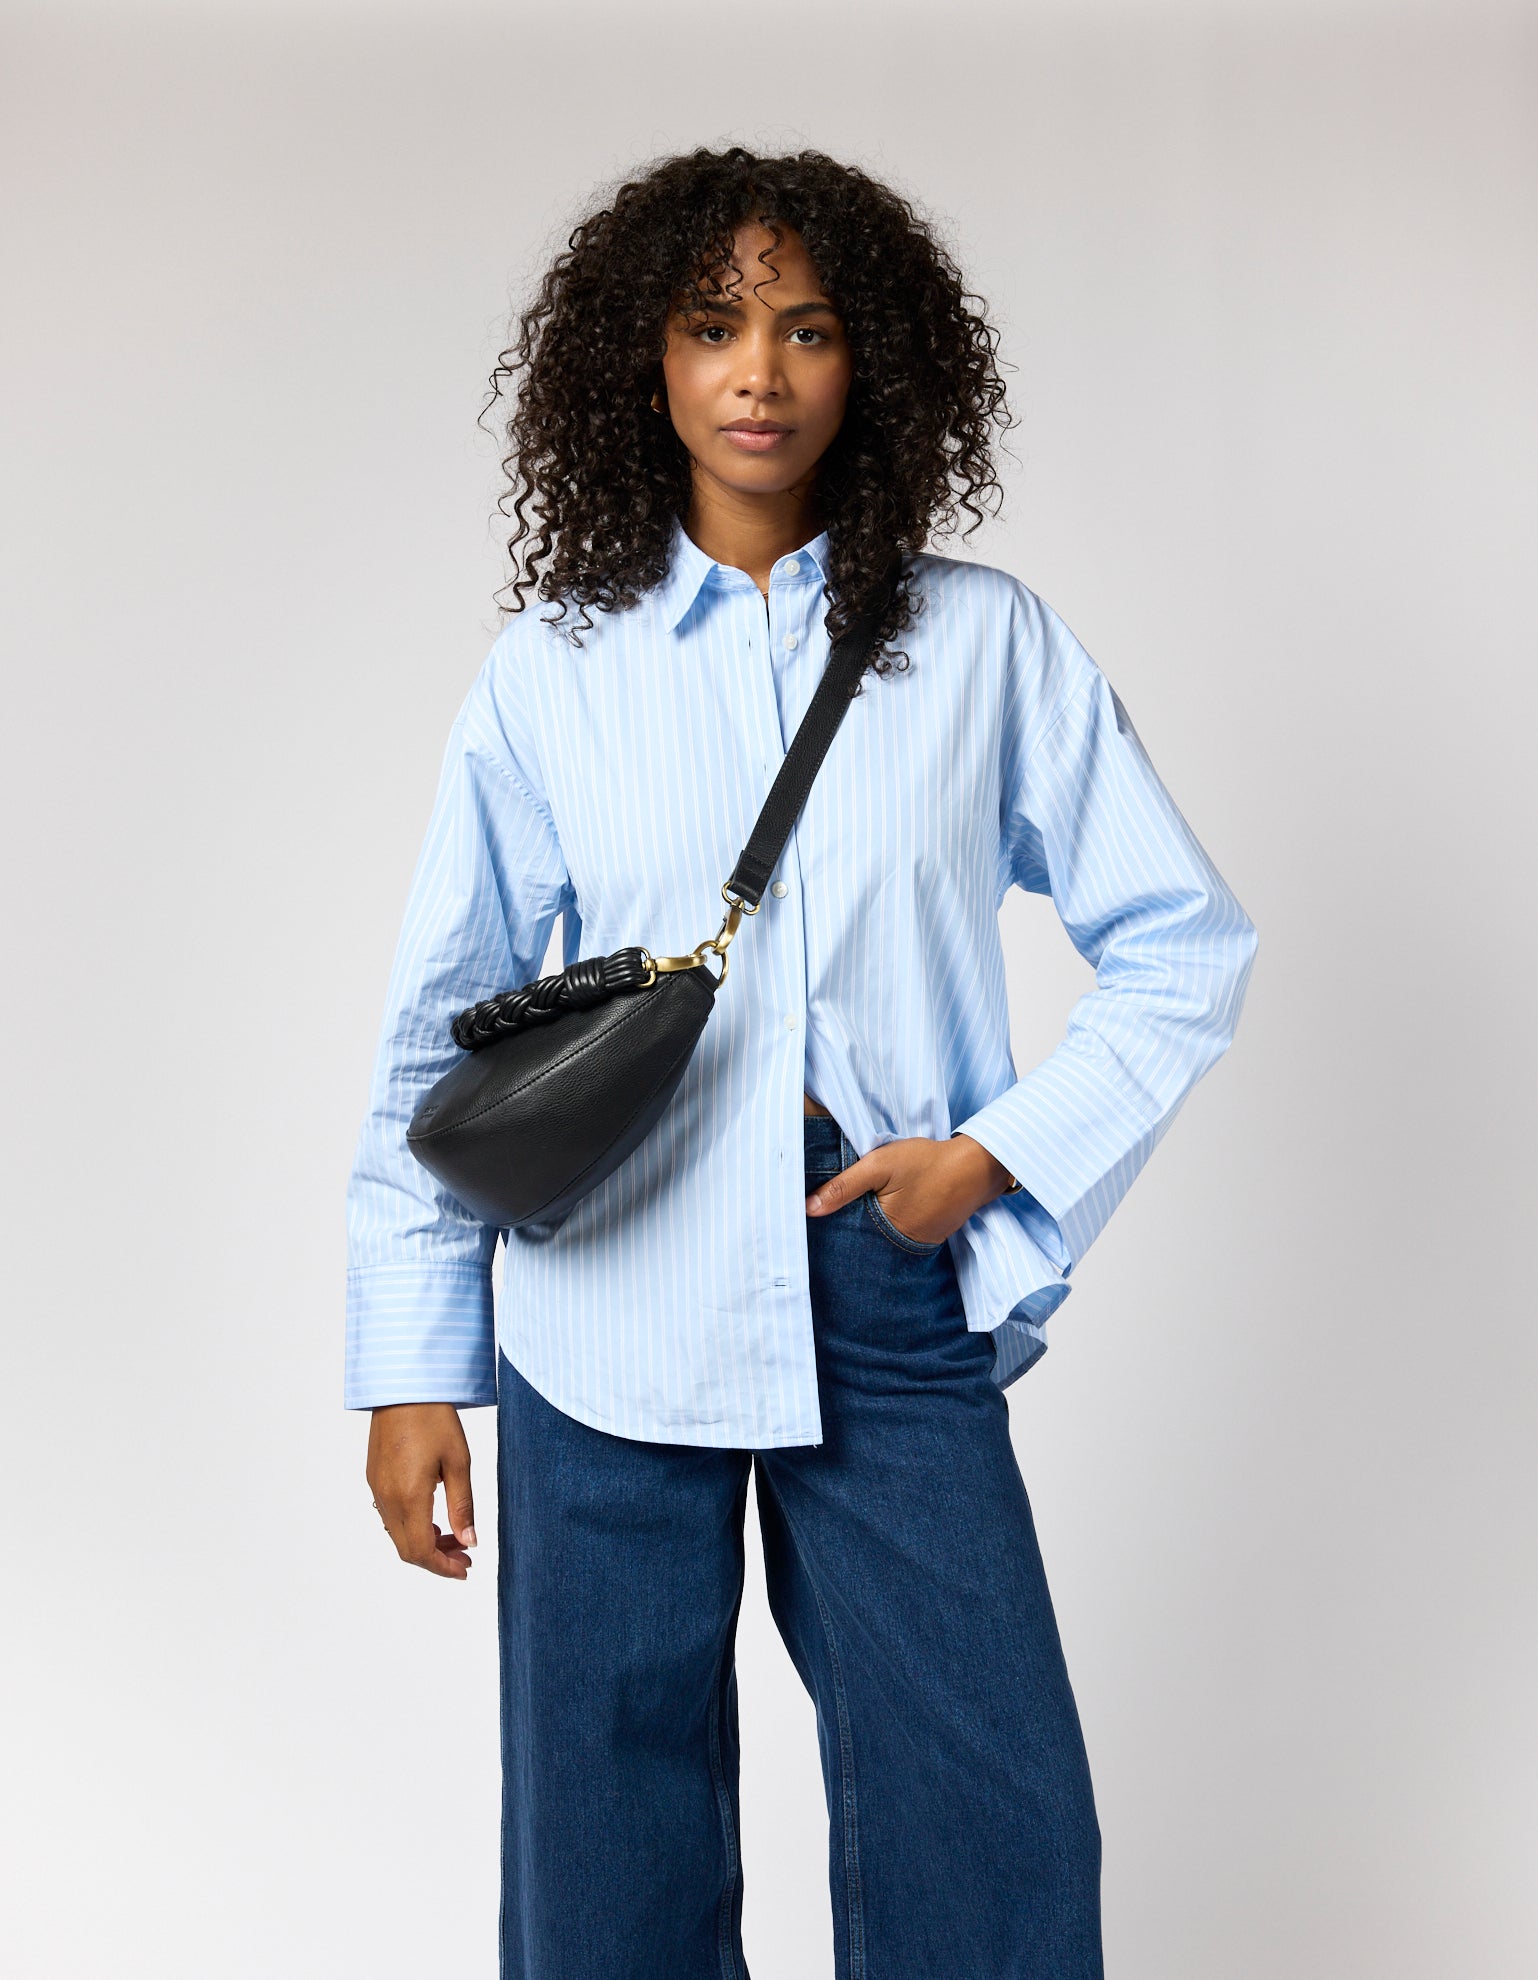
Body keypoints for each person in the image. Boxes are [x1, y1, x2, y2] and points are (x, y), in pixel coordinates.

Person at [346, 145, 1258, 1980]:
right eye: (710, 326)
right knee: (605, 1847)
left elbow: (1184, 945)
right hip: (602, 1285)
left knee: (988, 1818)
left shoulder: (983, 645)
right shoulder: (556, 669)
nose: (758, 370)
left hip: (881, 1273)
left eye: (807, 327)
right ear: (647, 366)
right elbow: (438, 1030)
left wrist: (991, 1156)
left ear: (874, 367)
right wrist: (408, 1366)